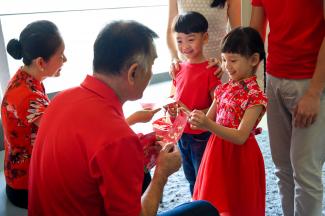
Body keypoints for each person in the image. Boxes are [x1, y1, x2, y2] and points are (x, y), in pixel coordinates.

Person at [28, 20, 219, 216]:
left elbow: (93, 148)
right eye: (152, 64)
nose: (152, 73)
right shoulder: (118, 138)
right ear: (133, 72)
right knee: (204, 209)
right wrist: (161, 174)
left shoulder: (62, 99)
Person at [250, 1, 325, 215]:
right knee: (282, 167)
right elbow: (256, 30)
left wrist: (314, 92)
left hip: (310, 80)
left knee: (305, 172)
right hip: (274, 77)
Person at [189, 27, 267, 215]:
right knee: (215, 201)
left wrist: (207, 124)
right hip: (216, 151)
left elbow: (241, 136)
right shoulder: (223, 89)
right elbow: (206, 121)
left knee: (238, 202)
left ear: (254, 60)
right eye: (224, 60)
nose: (226, 66)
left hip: (240, 156)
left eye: (233, 60)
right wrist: (191, 117)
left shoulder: (255, 97)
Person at [0, 20, 67, 209]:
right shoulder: (27, 95)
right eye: (61, 55)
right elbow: (60, 132)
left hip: (19, 177)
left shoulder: (26, 77)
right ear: (40, 62)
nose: (65, 60)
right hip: (27, 187)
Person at [167, 11, 221, 195]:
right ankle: (196, 202)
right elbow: (174, 97)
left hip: (200, 135)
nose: (184, 46)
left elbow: (218, 105)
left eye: (190, 39)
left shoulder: (210, 71)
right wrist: (171, 113)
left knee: (203, 176)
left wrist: (194, 113)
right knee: (190, 176)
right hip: (182, 134)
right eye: (179, 40)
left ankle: (205, 205)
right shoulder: (178, 68)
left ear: (205, 38)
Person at [167, 0, 241, 82]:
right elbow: (171, 31)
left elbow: (237, 36)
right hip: (186, 67)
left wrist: (224, 63)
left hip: (218, 68)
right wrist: (174, 58)